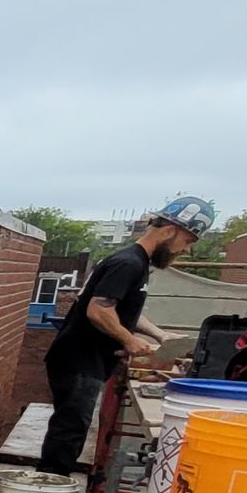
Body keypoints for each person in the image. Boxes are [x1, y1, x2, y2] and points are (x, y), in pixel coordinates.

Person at [39, 196, 216, 475]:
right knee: (69, 432)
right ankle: (48, 491)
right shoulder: (129, 263)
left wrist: (159, 335)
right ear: (170, 230)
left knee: (72, 429)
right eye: (188, 240)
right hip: (79, 361)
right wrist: (130, 340)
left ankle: (52, 487)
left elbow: (120, 310)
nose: (186, 249)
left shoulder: (136, 262)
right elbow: (99, 310)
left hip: (85, 361)